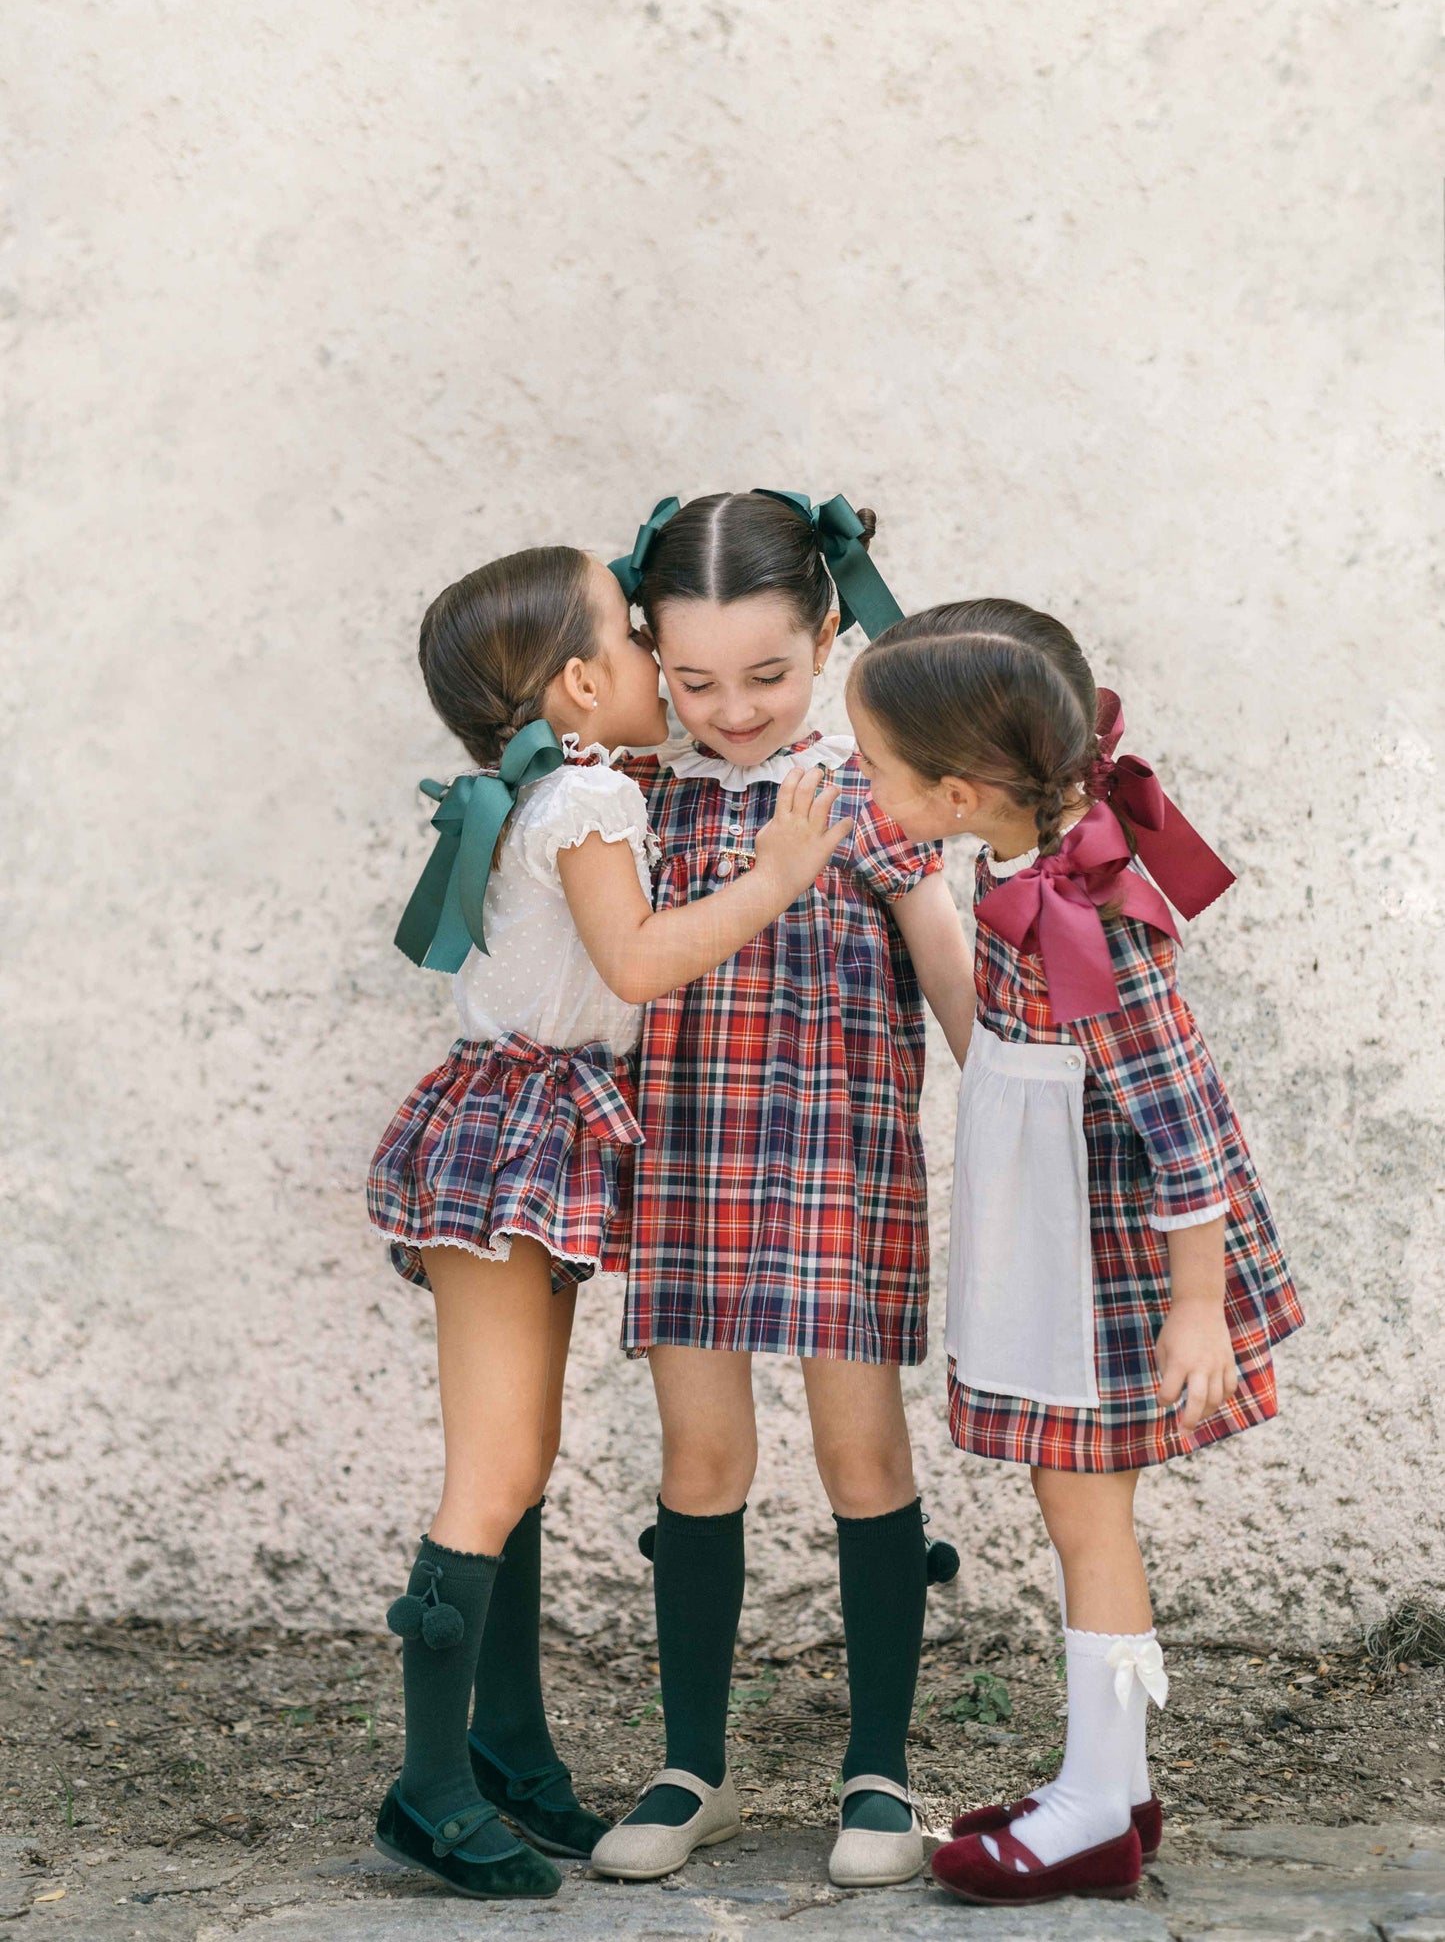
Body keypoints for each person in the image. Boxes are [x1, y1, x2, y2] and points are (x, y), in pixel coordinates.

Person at [367, 544, 848, 1901]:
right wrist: (774, 877)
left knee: (520, 1460)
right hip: (521, 1131)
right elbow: (636, 961)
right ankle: (429, 1786)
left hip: (530, 1124)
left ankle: (508, 1753)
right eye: (639, 642)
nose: (657, 657)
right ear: (583, 683)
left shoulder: (568, 783)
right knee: (493, 1470)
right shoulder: (587, 797)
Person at [847, 598, 1304, 1908]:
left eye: (876, 767)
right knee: (1074, 1514)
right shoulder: (1011, 861)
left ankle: (1098, 1805)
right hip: (1046, 1234)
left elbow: (1189, 1118)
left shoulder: (1085, 916)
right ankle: (1109, 1778)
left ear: (955, 788)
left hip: (1103, 1273)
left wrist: (1197, 1309)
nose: (865, 786)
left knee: (1084, 1515)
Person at [590, 492, 975, 1890]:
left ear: (825, 634)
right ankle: (692, 1755)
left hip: (839, 1173)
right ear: (650, 657)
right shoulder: (636, 798)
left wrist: (1024, 1106)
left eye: (767, 674)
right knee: (700, 1462)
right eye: (692, 680)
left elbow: (951, 982)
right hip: (686, 1169)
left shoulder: (867, 791)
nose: (732, 710)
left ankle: (877, 1764)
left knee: (863, 1458)